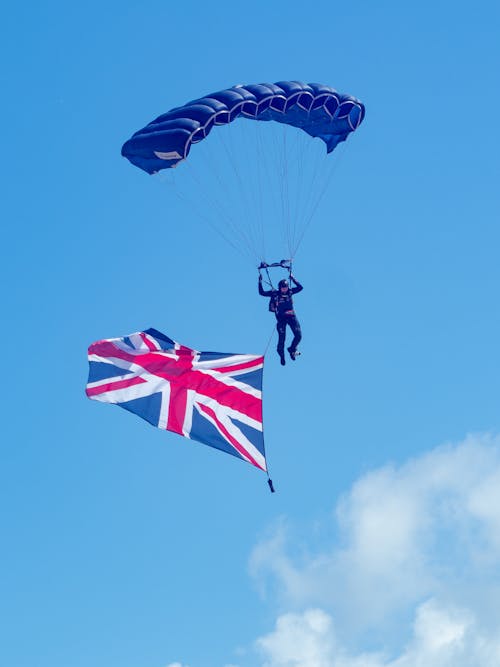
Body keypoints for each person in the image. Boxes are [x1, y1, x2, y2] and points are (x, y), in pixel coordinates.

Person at [258, 272, 303, 365]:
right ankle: (281, 355)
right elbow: (262, 293)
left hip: (291, 316)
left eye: (286, 287)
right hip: (281, 318)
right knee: (282, 338)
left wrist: (293, 278)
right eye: (283, 288)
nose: (284, 289)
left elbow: (300, 288)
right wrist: (260, 282)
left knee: (298, 335)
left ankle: (292, 349)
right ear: (280, 288)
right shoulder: (274, 293)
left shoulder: (290, 292)